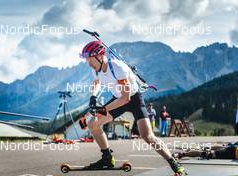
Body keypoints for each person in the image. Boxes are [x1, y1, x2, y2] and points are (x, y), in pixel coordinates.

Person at [80, 41, 186, 175]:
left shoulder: (118, 68)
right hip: (117, 98)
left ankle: (173, 162)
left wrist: (104, 109)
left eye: (90, 60)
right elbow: (96, 83)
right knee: (92, 123)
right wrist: (93, 96)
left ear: (100, 56)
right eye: (87, 61)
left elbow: (126, 98)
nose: (89, 64)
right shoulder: (96, 69)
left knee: (148, 136)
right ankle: (107, 158)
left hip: (133, 99)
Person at [173, 142, 238, 160]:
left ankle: (184, 153)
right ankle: (183, 154)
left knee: (223, 147)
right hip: (233, 152)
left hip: (234, 150)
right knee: (208, 154)